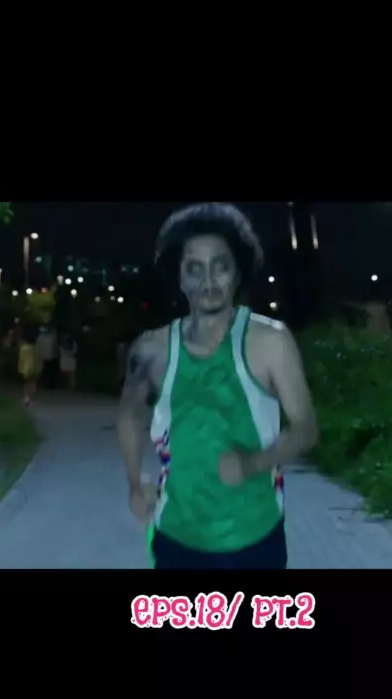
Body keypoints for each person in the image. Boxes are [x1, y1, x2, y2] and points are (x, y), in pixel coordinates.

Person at [116, 203, 319, 569]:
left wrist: (253, 463)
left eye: (220, 266)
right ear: (179, 276)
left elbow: (305, 429)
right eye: (194, 269)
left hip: (255, 538)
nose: (208, 282)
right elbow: (130, 415)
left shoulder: (271, 341)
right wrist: (135, 480)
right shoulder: (151, 349)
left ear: (238, 272)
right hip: (175, 536)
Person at [18, 323, 42, 406]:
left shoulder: (24, 348)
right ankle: (33, 399)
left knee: (26, 384)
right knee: (33, 383)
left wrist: (20, 369)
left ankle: (26, 398)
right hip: (35, 368)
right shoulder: (35, 348)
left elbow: (22, 360)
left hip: (26, 368)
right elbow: (38, 359)